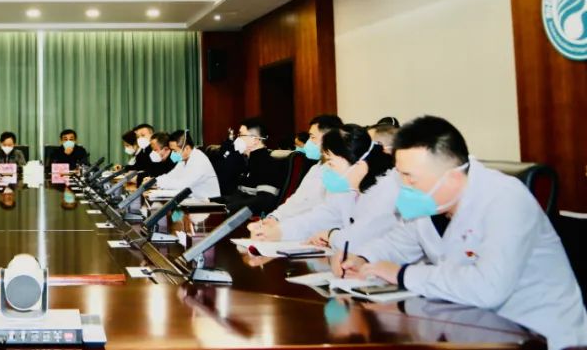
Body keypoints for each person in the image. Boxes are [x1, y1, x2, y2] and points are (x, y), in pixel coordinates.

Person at [337, 116, 587, 349]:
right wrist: (363, 258)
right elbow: (398, 243)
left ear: (452, 178)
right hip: (473, 329)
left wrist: (401, 274)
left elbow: (487, 287)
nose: (404, 187)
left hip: (538, 336)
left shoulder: (505, 199)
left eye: (410, 179)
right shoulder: (432, 202)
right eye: (401, 177)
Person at [248, 124, 398, 250]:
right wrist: (276, 232)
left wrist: (331, 235)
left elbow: (358, 238)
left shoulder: (387, 191)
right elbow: (317, 218)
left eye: (331, 163)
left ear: (359, 166)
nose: (328, 170)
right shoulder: (348, 191)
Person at [261, 114, 343, 221]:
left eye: (312, 137)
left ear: (330, 138)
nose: (308, 143)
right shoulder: (316, 168)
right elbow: (297, 200)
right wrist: (274, 217)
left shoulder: (340, 173)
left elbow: (322, 214)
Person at [211, 118, 282, 215]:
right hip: (236, 212)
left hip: (248, 218)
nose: (237, 139)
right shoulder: (248, 161)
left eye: (241, 135)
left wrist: (228, 208)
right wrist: (211, 202)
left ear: (255, 140)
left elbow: (264, 201)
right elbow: (238, 195)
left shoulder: (267, 164)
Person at [153, 129, 220, 200]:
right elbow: (170, 176)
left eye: (174, 150)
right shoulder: (184, 160)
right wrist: (154, 181)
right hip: (192, 200)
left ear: (187, 148)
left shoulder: (198, 160)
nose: (172, 153)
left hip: (207, 203)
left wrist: (159, 184)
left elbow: (182, 185)